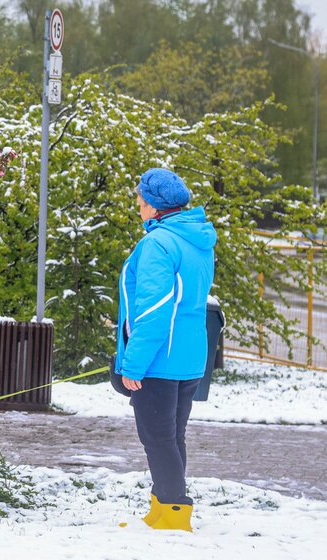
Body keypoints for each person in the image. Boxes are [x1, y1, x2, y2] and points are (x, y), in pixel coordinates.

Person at [114, 168, 217, 531]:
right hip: (188, 357)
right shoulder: (196, 239)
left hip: (159, 358)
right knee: (171, 437)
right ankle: (163, 506)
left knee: (158, 439)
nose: (138, 204)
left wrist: (133, 364)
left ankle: (174, 513)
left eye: (141, 199)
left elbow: (155, 311)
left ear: (156, 207)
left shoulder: (159, 244)